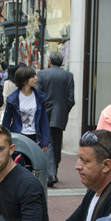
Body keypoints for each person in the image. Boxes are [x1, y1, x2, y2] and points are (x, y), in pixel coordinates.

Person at [37, 51, 76, 187]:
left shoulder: (41, 74)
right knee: (56, 143)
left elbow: (38, 95)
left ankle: (51, 174)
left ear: (50, 61)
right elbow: (71, 99)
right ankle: (53, 171)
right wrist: (64, 110)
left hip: (45, 113)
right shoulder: (68, 76)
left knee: (48, 142)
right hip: (60, 114)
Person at [1, 65, 50, 150]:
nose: (36, 78)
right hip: (18, 137)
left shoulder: (39, 97)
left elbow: (44, 120)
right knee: (18, 162)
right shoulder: (13, 99)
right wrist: (4, 140)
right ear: (25, 80)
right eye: (33, 76)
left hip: (35, 138)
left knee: (35, 162)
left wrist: (45, 141)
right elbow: (6, 121)